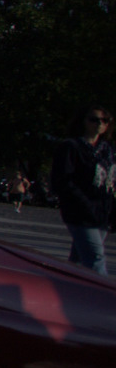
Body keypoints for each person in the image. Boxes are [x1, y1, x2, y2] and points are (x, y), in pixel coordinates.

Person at [53, 106, 113, 276]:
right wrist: (84, 204)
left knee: (78, 261)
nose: (99, 124)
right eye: (93, 119)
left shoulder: (107, 151)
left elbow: (110, 183)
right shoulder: (71, 147)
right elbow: (63, 181)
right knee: (95, 258)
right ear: (83, 121)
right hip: (81, 213)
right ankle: (105, 299)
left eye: (104, 120)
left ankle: (66, 292)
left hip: (102, 213)